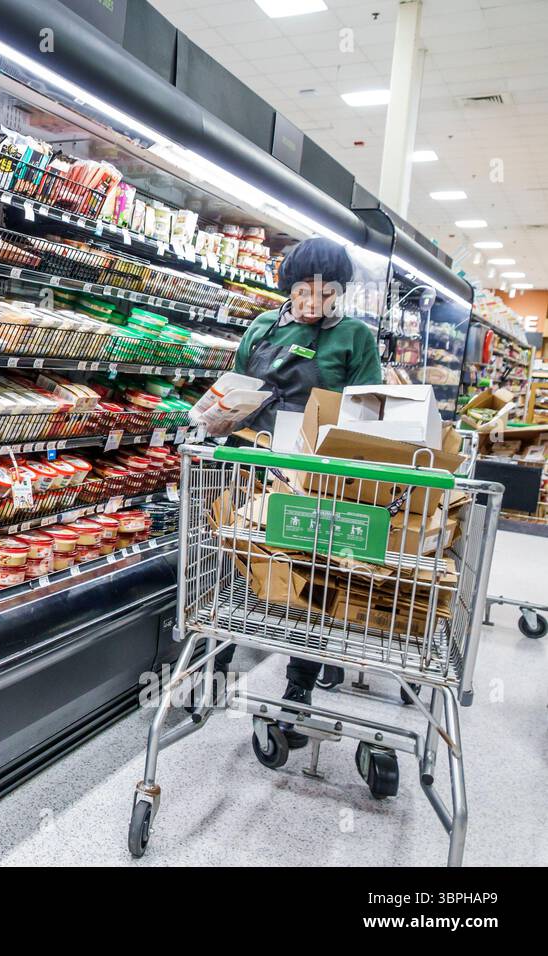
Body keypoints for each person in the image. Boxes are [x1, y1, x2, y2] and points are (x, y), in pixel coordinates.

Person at [211, 236, 383, 748]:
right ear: (288, 285)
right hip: (250, 466)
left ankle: (298, 687)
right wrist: (216, 414)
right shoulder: (263, 326)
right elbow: (236, 384)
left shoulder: (355, 338)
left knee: (311, 579)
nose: (314, 299)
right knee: (228, 562)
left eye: (327, 291)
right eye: (305, 288)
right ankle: (214, 660)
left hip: (313, 481)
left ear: (340, 292)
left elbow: (369, 415)